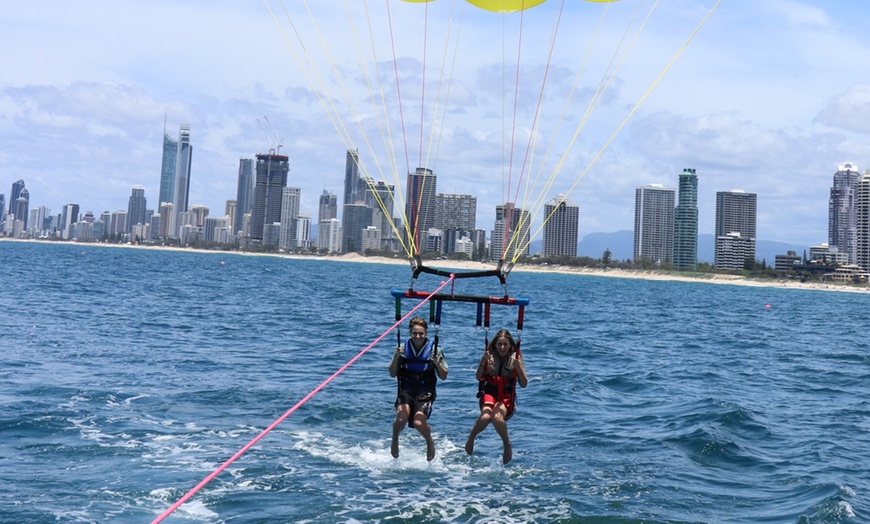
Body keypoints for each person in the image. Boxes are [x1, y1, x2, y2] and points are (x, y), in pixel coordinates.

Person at [464, 329, 528, 464]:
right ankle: (471, 438)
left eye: (505, 344)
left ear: (510, 345)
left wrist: (518, 367)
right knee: (486, 416)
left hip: (506, 397)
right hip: (489, 393)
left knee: (497, 418)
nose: (502, 347)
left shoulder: (515, 357)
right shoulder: (489, 355)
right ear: (495, 345)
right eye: (499, 344)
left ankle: (507, 444)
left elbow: (523, 384)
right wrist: (483, 362)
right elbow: (478, 377)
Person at [389, 317, 448, 461]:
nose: (417, 336)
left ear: (426, 333)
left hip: (425, 392)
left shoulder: (435, 350)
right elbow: (392, 373)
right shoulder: (402, 349)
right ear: (410, 333)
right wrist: (397, 357)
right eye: (414, 333)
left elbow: (444, 376)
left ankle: (429, 441)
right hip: (406, 390)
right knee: (400, 420)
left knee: (418, 423)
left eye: (421, 333)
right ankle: (395, 438)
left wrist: (437, 364)